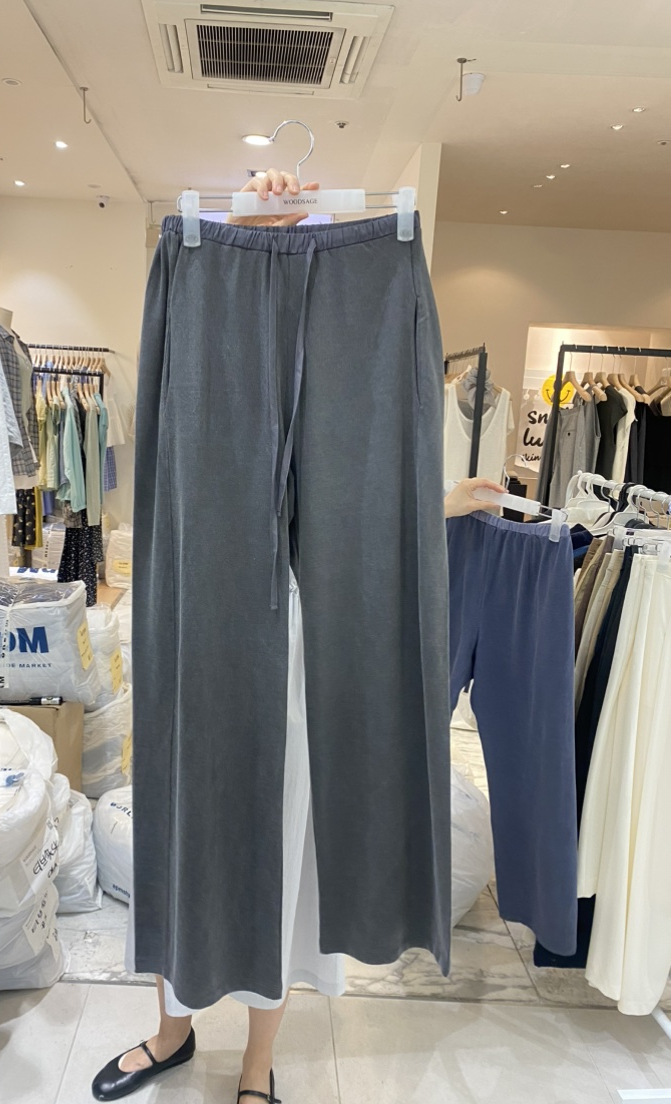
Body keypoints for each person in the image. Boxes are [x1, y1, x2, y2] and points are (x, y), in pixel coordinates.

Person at [91, 166, 506, 1104]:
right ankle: (171, 1033)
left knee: (287, 842)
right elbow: (205, 485)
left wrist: (438, 501)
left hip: (309, 645)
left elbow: (361, 479)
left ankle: (258, 1066)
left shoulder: (368, 286)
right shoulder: (201, 270)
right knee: (191, 810)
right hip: (216, 637)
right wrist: (245, 229)